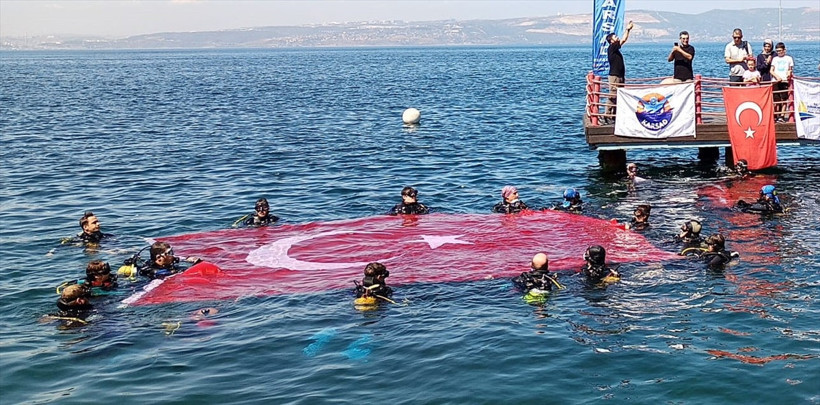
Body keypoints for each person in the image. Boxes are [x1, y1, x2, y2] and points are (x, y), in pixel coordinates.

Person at [603, 20, 634, 124]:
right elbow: (624, 40)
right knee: (612, 96)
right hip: (615, 76)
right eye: (615, 37)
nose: (617, 38)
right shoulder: (612, 47)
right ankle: (607, 115)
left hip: (620, 76)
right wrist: (627, 29)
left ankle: (615, 116)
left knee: (619, 96)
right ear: (612, 41)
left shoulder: (615, 49)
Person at [137, 241, 202, 280]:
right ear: (159, 257)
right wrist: (196, 264)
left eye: (172, 251)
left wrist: (189, 259)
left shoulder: (167, 261)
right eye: (170, 253)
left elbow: (179, 259)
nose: (172, 255)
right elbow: (180, 272)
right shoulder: (156, 272)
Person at [770, 42, 794, 123]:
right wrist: (777, 77)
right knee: (776, 99)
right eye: (777, 51)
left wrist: (789, 73)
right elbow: (771, 70)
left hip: (784, 81)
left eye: (780, 51)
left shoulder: (789, 58)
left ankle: (782, 116)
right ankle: (775, 115)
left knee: (784, 99)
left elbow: (790, 69)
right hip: (776, 81)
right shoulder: (775, 59)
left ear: (784, 50)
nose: (779, 52)